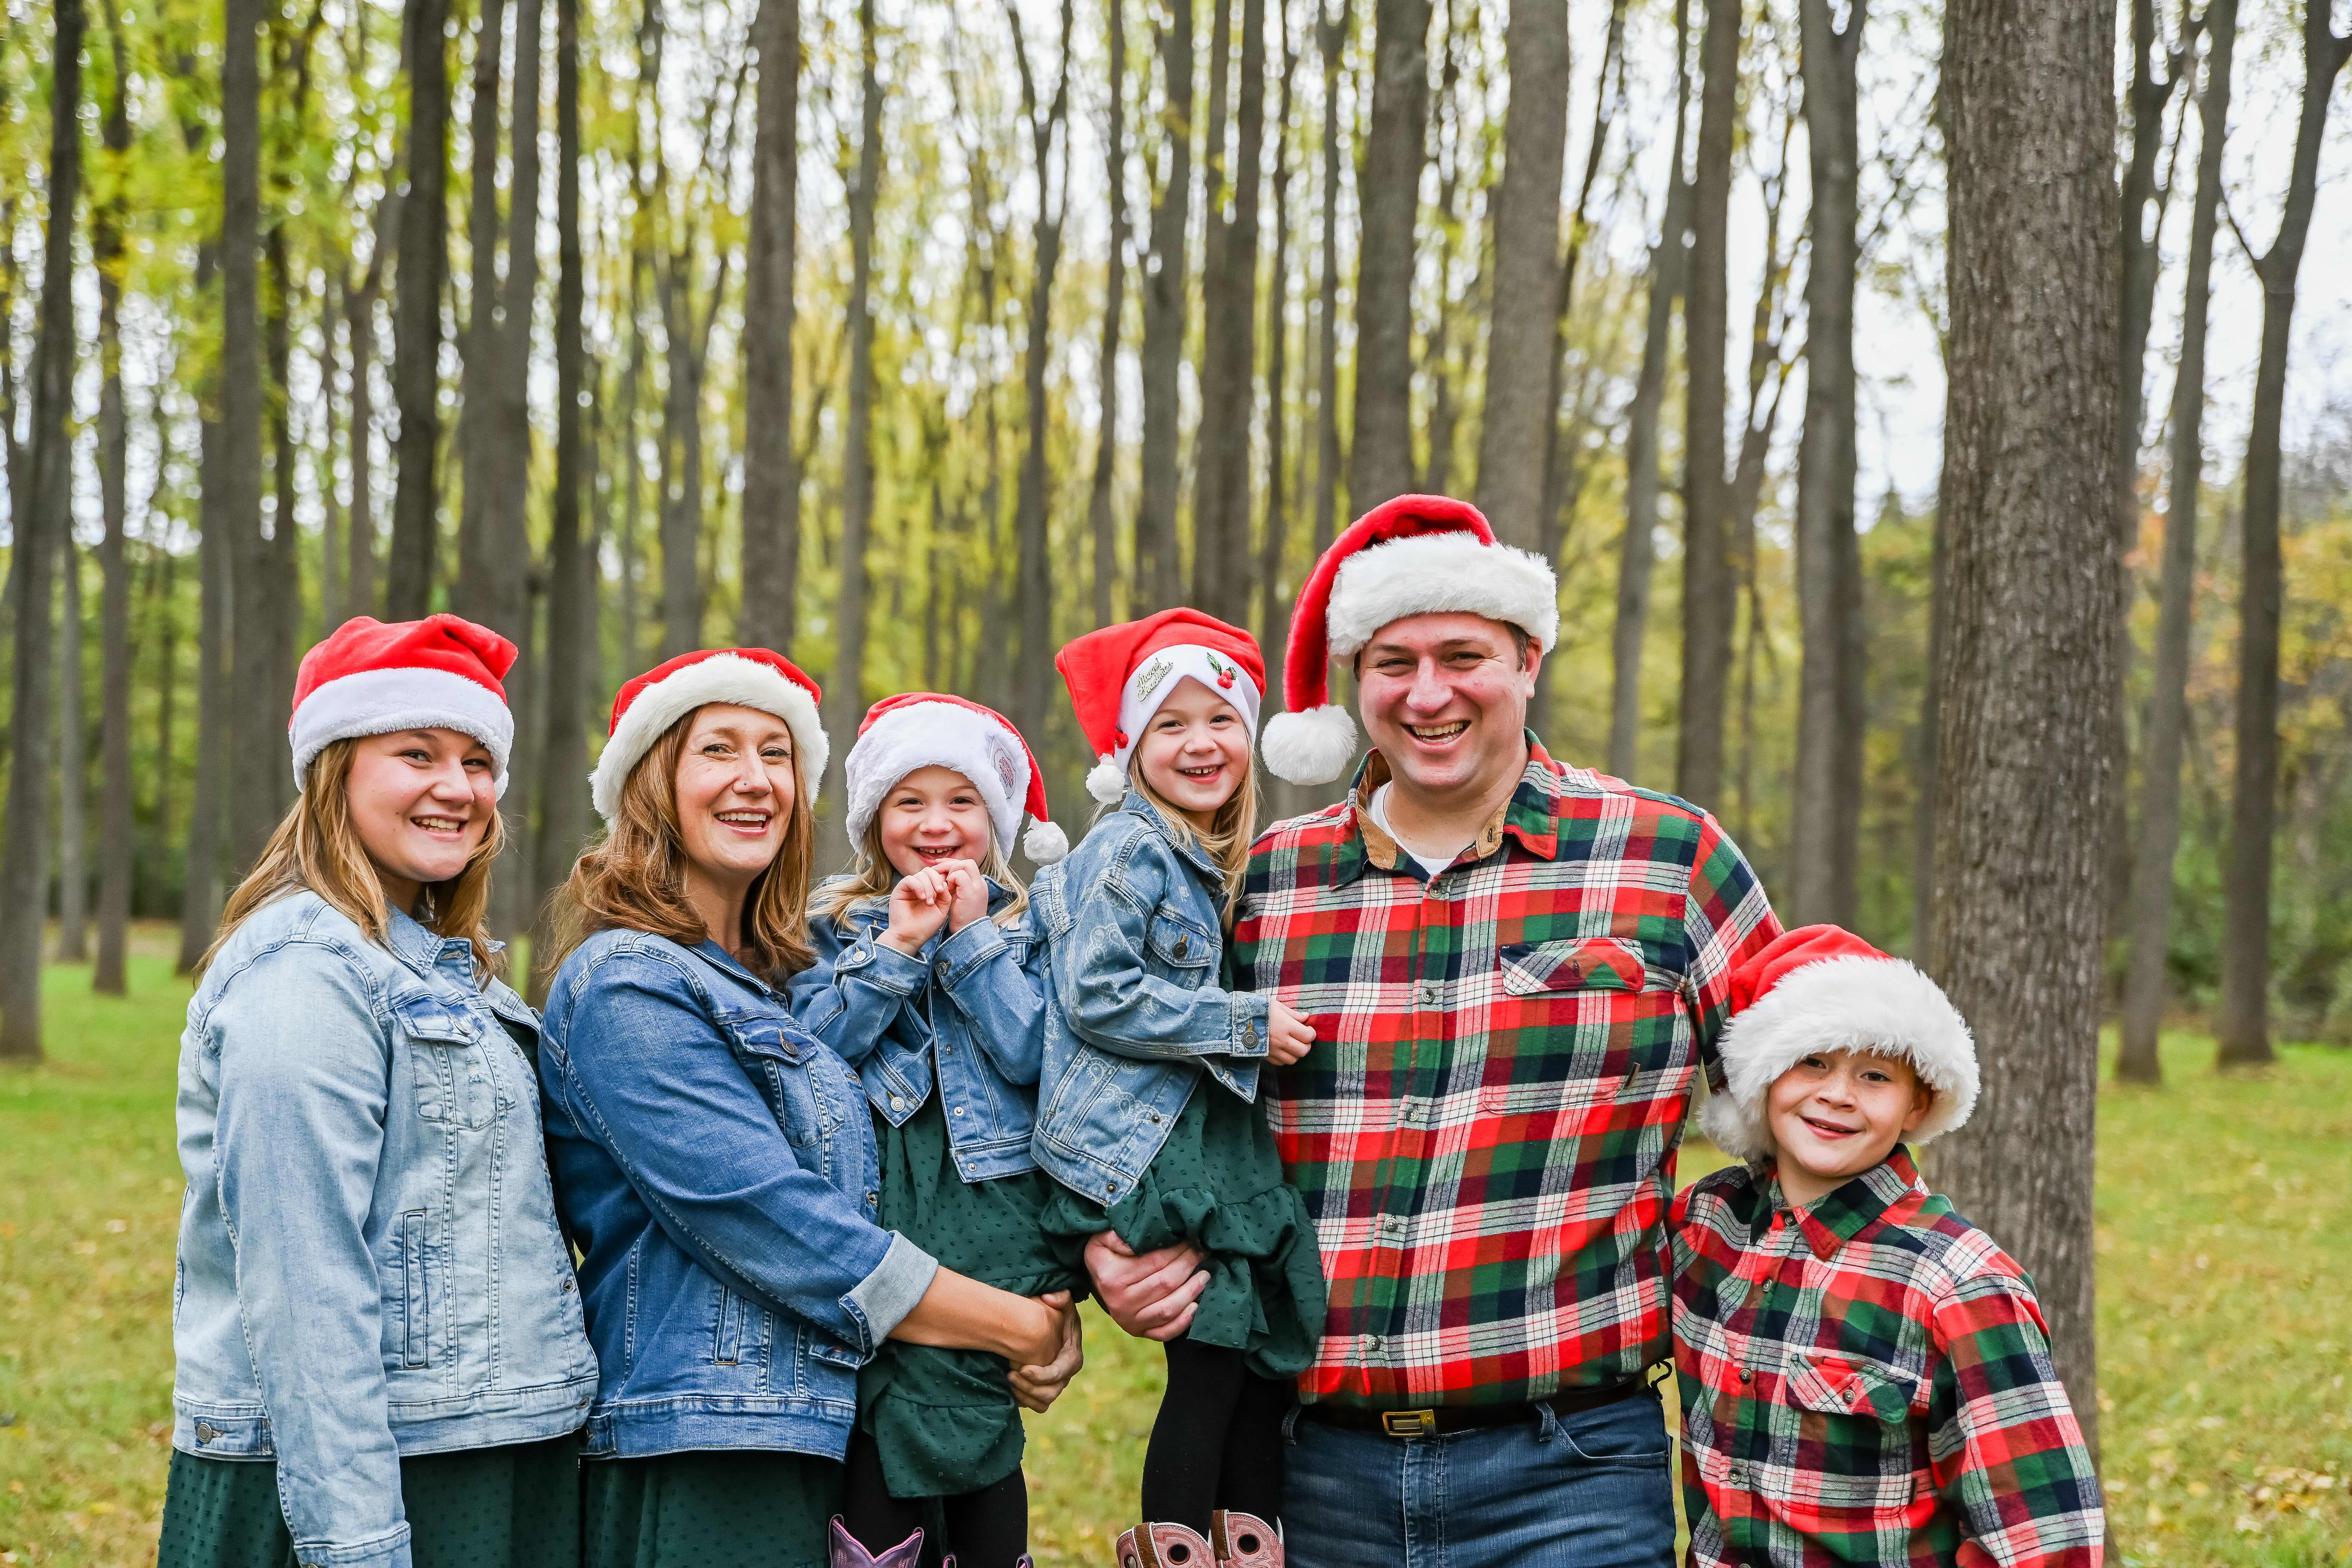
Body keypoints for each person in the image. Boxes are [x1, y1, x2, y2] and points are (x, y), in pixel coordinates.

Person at [1083, 496, 1784, 1568]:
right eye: (1391, 663)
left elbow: (1815, 1116)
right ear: (1353, 685)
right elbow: (1145, 1111)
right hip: (1301, 1480)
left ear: (1528, 659)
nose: (1427, 694)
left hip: (1573, 1477)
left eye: (1463, 656)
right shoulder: (1266, 884)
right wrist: (1108, 1254)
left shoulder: (1666, 862)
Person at [533, 648, 1082, 1568]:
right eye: (717, 749)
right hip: (705, 1437)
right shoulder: (630, 980)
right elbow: (774, 1222)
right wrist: (1015, 1325)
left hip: (821, 1424)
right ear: (648, 785)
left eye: (777, 754)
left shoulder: (775, 980)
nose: (755, 780)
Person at [160, 615, 597, 1568]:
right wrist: (354, 1544)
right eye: (416, 754)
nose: (458, 787)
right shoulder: (302, 976)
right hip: (369, 1482)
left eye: (479, 761)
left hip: (482, 1455)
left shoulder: (446, 972)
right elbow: (304, 1287)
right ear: (335, 770)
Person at [1030, 609, 1328, 1544]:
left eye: (1220, 720)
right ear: (1131, 747)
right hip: (1140, 1146)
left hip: (1200, 1140)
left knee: (1250, 1360)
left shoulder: (1208, 859)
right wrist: (1242, 1024)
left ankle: (1247, 1543)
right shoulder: (1129, 848)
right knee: (1211, 1366)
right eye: (1170, 724)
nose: (1200, 743)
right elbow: (1096, 995)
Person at [1674, 925, 2104, 1568]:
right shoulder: (1708, 1227)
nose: (1838, 1094)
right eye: (1812, 1061)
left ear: (1917, 1103)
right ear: (1762, 1076)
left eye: (1875, 1075)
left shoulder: (1961, 1285)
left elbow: (2047, 1541)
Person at [790, 693, 1080, 1568]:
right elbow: (814, 1066)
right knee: (887, 1426)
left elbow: (1038, 1057)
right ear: (875, 821)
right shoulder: (828, 934)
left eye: (962, 802)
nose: (937, 823)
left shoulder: (1031, 934)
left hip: (995, 1228)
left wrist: (970, 941)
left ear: (994, 821)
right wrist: (899, 950)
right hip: (887, 1222)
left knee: (982, 1430)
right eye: (909, 802)